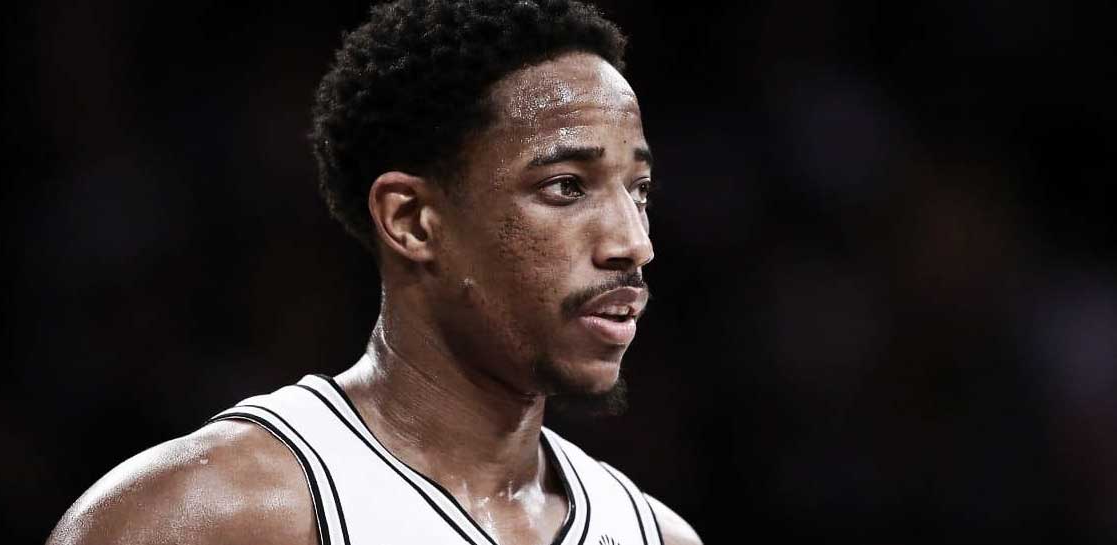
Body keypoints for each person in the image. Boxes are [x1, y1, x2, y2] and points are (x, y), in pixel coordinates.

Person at [47, 1, 701, 543]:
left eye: (638, 190)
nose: (633, 243)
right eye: (566, 186)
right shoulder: (203, 516)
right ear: (412, 220)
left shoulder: (655, 534)